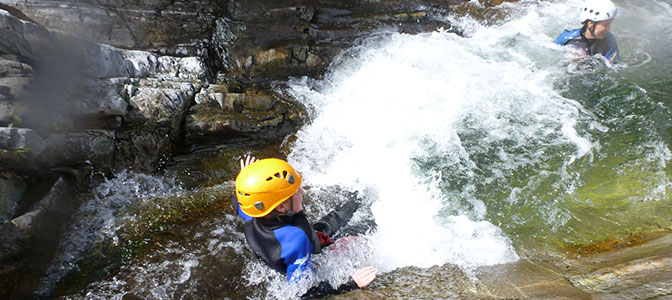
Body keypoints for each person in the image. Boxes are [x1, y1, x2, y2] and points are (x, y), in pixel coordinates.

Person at [231, 155, 378, 299]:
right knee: (366, 229)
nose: (301, 192)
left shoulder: (251, 212)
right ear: (281, 206)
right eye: (295, 192)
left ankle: (365, 192)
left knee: (343, 211)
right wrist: (351, 283)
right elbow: (303, 295)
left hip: (286, 238)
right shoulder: (297, 241)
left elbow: (239, 200)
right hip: (307, 253)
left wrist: (248, 179)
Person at [554, 0, 619, 63]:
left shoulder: (609, 40)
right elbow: (551, 53)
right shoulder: (567, 38)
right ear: (590, 24)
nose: (609, 29)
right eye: (605, 25)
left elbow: (612, 65)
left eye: (610, 24)